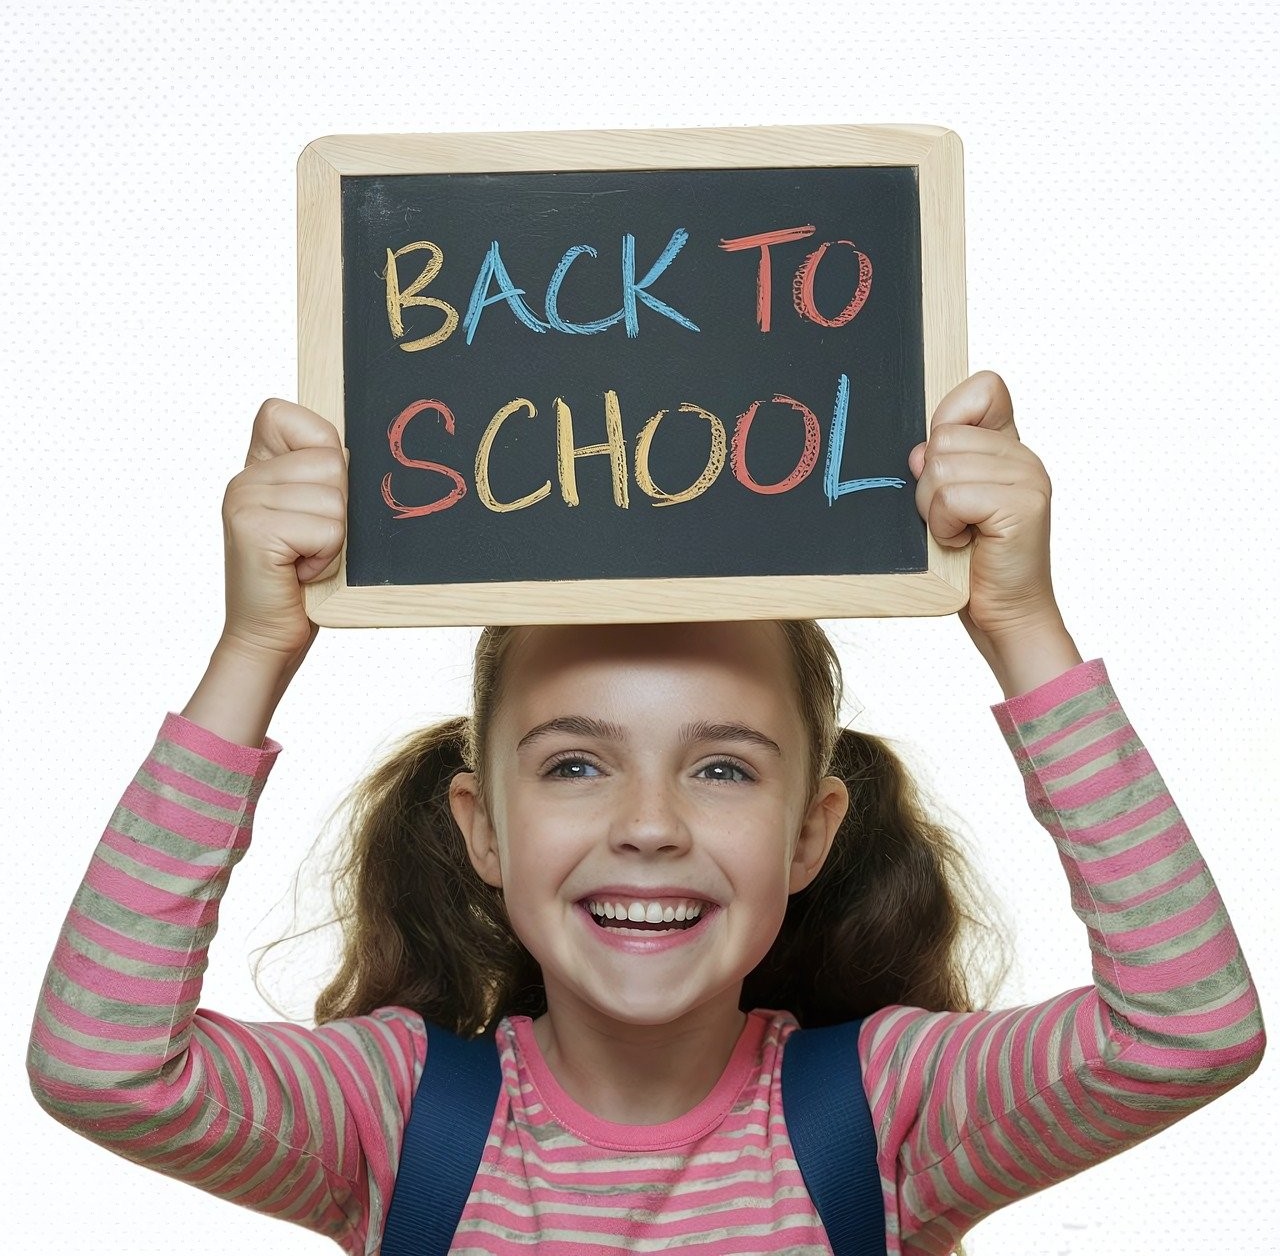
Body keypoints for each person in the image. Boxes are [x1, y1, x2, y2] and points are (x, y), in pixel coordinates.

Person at [27, 372, 1264, 1254]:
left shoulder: (891, 1111)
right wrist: (254, 647)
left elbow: (1185, 1029)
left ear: (810, 830)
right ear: (481, 826)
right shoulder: (392, 1118)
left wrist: (1021, 627)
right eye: (574, 764)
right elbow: (104, 1064)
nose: (650, 824)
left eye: (722, 767)